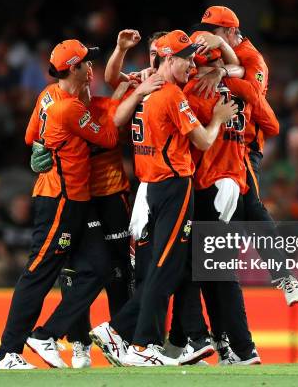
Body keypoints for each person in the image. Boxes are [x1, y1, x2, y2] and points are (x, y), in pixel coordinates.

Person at [91, 30, 237, 366]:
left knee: (164, 267)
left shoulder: (147, 86)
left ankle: (128, 336)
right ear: (169, 58)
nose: (191, 65)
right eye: (186, 59)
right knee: (166, 268)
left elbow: (116, 93)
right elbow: (202, 141)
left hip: (152, 185)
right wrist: (217, 119)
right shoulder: (171, 94)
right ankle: (135, 341)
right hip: (173, 186)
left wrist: (216, 71)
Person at [0, 39, 121, 370]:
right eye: (86, 63)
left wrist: (45, 146)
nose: (91, 67)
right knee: (39, 271)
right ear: (73, 69)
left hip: (75, 200)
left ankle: (47, 333)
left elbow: (29, 136)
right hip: (60, 199)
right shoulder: (69, 106)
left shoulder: (48, 96)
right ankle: (8, 353)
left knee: (99, 268)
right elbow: (108, 137)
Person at [25, 76, 162, 368]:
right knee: (75, 270)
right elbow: (37, 138)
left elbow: (116, 124)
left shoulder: (104, 105)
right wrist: (40, 150)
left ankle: (120, 342)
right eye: (81, 77)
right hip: (81, 199)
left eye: (88, 81)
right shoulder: (64, 109)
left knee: (118, 270)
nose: (85, 85)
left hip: (111, 197)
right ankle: (79, 344)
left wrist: (128, 85)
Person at [194, 5, 298, 307]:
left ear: (230, 31)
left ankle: (283, 274)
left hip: (241, 144)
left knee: (251, 207)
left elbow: (254, 96)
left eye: (215, 32)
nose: (209, 37)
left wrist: (221, 74)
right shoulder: (215, 51)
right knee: (234, 215)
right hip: (216, 143)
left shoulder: (253, 57)